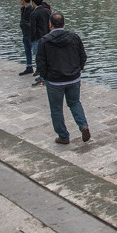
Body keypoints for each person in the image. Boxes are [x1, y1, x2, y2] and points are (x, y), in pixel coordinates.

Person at [36, 12, 90, 144]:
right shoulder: (74, 37)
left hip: (54, 81)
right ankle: (83, 125)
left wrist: (45, 77)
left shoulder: (44, 41)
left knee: (56, 108)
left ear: (50, 25)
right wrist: (78, 69)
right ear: (64, 23)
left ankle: (63, 136)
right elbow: (83, 56)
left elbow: (40, 63)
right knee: (75, 102)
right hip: (73, 78)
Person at [30, 0, 52, 85]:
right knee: (46, 57)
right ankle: (45, 76)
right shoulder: (47, 11)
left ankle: (42, 78)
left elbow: (33, 28)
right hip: (47, 36)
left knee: (39, 58)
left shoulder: (34, 13)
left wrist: (32, 39)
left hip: (38, 38)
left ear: (33, 3)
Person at [18, 0, 35, 75]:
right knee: (27, 50)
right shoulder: (22, 9)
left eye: (21, 0)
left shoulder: (31, 9)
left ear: (23, 0)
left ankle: (39, 69)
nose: (20, 1)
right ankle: (29, 67)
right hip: (24, 32)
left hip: (30, 33)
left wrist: (24, 23)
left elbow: (31, 22)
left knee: (35, 51)